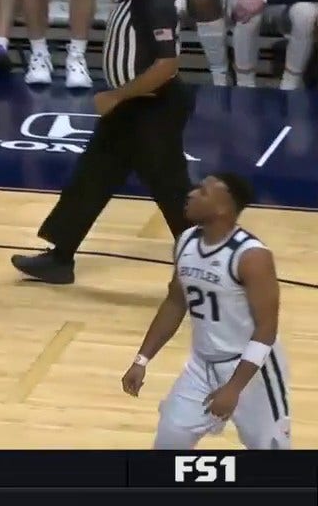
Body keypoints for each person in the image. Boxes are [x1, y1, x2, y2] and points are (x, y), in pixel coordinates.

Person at [11, 0, 192, 285]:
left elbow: (166, 66)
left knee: (171, 190)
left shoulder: (154, 1)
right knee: (91, 177)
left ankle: (213, 262)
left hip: (153, 107)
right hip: (130, 107)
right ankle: (61, 257)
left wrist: (117, 96)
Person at [122, 172, 290, 450]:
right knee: (169, 440)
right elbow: (175, 302)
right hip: (201, 365)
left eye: (202, 191)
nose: (191, 194)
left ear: (224, 207)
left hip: (252, 372)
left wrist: (234, 388)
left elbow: (266, 329)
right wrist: (142, 359)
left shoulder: (252, 256)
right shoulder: (186, 241)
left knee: (271, 451)